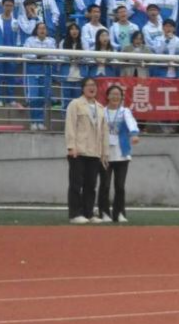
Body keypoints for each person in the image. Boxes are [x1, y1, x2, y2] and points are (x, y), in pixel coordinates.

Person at [65, 77, 109, 225]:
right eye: (89, 85)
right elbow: (70, 125)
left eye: (94, 85)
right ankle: (75, 214)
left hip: (94, 152)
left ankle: (88, 213)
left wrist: (104, 153)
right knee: (76, 184)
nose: (92, 88)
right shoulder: (75, 104)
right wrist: (71, 146)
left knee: (91, 185)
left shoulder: (100, 108)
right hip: (79, 151)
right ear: (83, 88)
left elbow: (104, 132)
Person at [98, 85, 140, 223]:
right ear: (107, 96)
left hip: (121, 153)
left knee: (120, 186)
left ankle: (119, 213)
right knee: (105, 185)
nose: (115, 97)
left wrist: (134, 134)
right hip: (104, 153)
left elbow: (131, 123)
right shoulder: (101, 111)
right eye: (113, 94)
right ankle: (104, 212)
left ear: (122, 97)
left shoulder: (124, 111)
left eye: (118, 94)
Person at [23, 21, 56, 130]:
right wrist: (38, 56)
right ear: (36, 30)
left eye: (44, 28)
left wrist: (39, 56)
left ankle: (40, 121)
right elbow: (26, 54)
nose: (42, 30)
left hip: (46, 71)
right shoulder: (30, 40)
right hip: (33, 71)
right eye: (40, 28)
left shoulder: (51, 41)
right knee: (34, 97)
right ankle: (33, 121)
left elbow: (54, 55)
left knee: (43, 97)